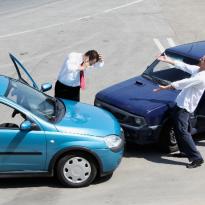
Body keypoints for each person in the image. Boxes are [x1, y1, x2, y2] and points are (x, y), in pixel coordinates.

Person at [153, 54, 205, 168]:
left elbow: (183, 83)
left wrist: (167, 87)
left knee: (183, 132)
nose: (200, 58)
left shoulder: (201, 77)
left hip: (184, 107)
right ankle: (184, 152)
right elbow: (185, 66)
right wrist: (167, 60)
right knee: (180, 129)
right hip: (180, 104)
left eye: (203, 59)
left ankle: (197, 158)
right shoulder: (198, 70)